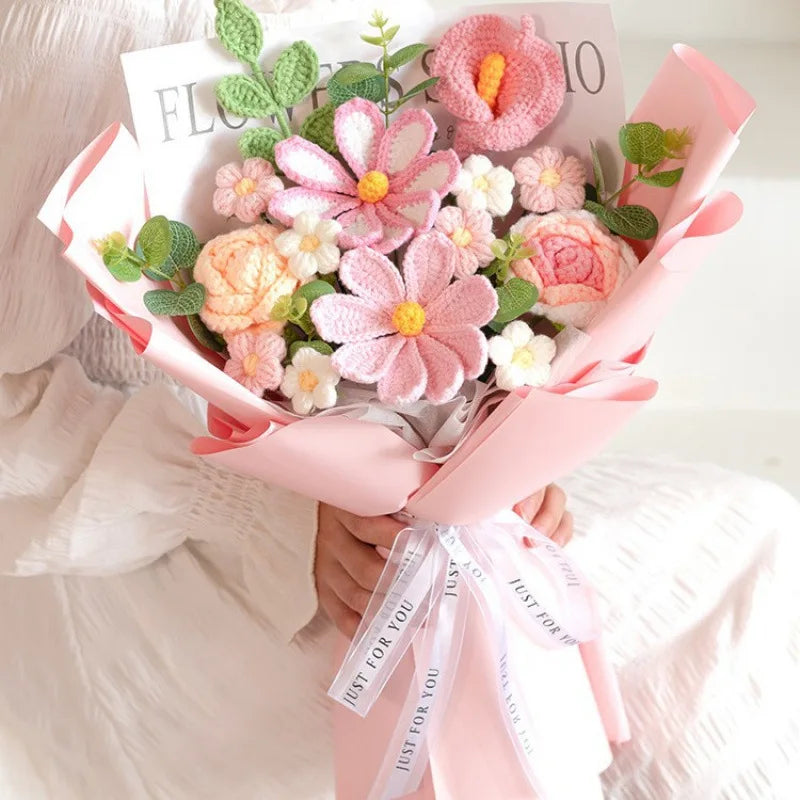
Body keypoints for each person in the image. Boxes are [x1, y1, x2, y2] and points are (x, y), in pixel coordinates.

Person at [2, 1, 799, 798]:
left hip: (419, 498)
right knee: (463, 655)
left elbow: (486, 254)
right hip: (152, 554)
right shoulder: (70, 21)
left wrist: (505, 459)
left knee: (751, 547)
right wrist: (258, 510)